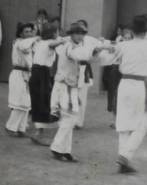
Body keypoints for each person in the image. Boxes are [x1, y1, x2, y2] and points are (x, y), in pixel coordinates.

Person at [97, 15, 147, 173]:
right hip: (140, 86)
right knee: (142, 124)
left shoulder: (123, 45)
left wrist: (102, 48)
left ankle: (123, 162)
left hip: (124, 84)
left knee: (124, 124)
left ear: (132, 30)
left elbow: (104, 60)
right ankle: (125, 155)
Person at [49, 23, 102, 162]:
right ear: (71, 34)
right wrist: (97, 48)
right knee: (70, 118)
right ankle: (57, 146)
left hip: (69, 85)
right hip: (64, 85)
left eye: (82, 33)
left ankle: (65, 150)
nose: (80, 36)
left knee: (70, 118)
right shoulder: (69, 46)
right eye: (77, 33)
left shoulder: (73, 46)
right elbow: (78, 54)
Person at [28, 24, 67, 146]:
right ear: (53, 33)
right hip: (41, 74)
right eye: (57, 32)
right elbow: (55, 43)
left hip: (36, 73)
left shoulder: (40, 43)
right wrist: (63, 40)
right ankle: (38, 134)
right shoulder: (49, 43)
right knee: (43, 102)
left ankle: (37, 131)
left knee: (39, 102)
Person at [5, 22, 39, 137]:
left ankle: (21, 128)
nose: (29, 34)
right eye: (26, 32)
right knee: (20, 102)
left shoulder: (30, 44)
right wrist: (34, 38)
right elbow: (25, 45)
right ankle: (11, 126)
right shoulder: (18, 43)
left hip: (27, 73)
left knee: (27, 102)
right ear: (20, 34)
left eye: (30, 31)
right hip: (18, 73)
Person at [74, 19, 101, 130]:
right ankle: (70, 119)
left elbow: (100, 47)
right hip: (73, 68)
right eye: (78, 27)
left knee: (82, 97)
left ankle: (79, 122)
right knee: (71, 95)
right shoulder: (72, 40)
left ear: (86, 29)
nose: (81, 30)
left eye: (83, 27)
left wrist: (101, 44)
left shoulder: (91, 40)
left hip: (84, 69)